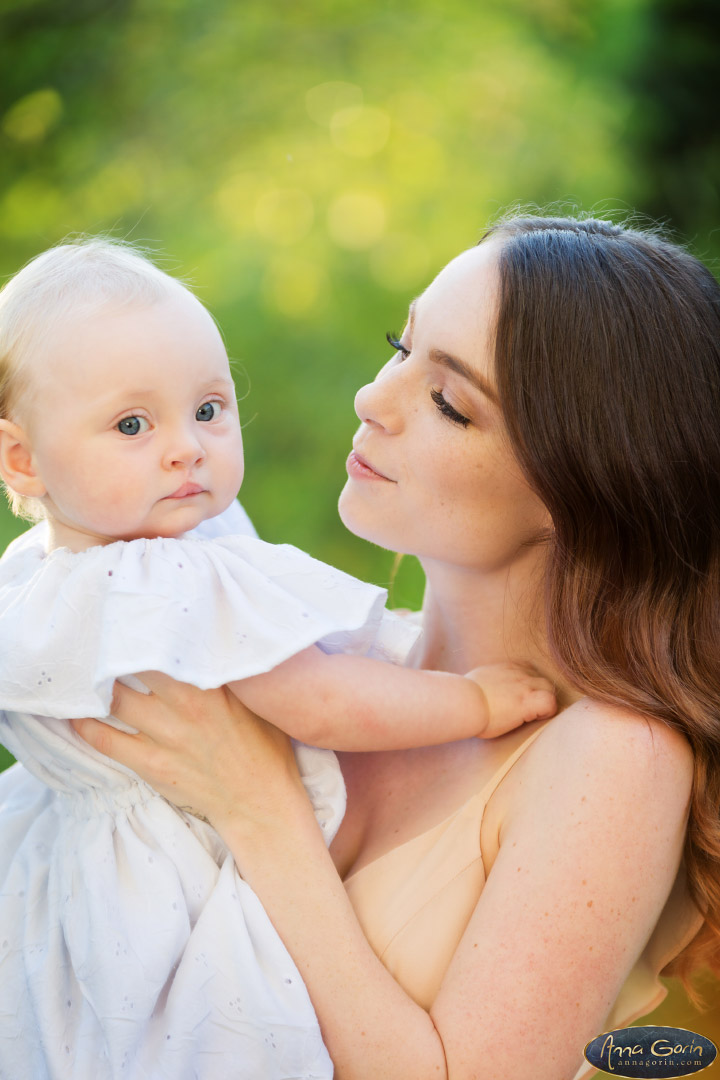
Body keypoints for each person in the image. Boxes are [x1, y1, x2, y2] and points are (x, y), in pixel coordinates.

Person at [74, 214, 720, 1080]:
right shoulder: (331, 664)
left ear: (580, 486)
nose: (373, 399)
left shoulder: (613, 753)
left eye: (449, 402)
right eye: (399, 347)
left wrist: (261, 812)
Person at [0, 239, 557, 1080]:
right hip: (172, 889)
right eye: (131, 425)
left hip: (63, 895)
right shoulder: (164, 576)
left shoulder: (37, 579)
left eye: (209, 409)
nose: (185, 448)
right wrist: (475, 702)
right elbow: (323, 701)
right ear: (22, 460)